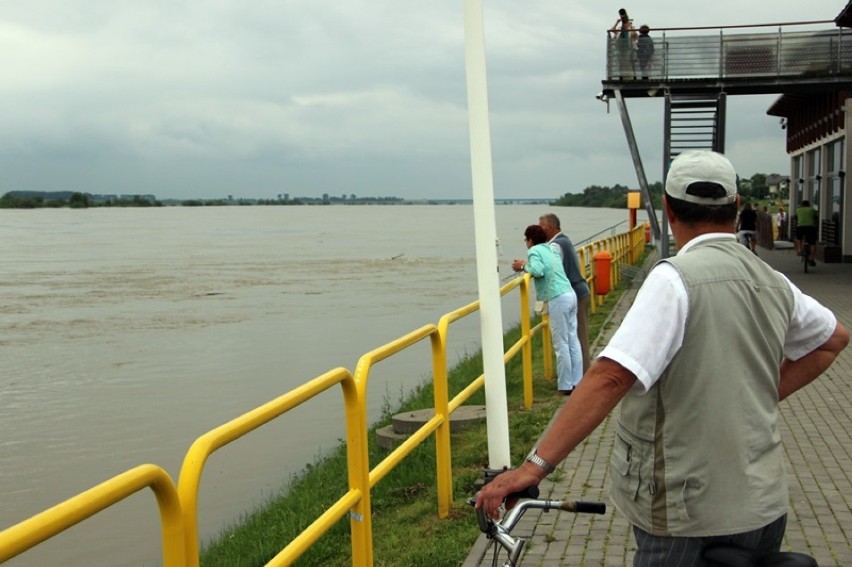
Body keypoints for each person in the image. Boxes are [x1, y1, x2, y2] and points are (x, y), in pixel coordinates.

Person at [477, 151, 848, 566]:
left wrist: (533, 468)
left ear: (668, 209)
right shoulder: (773, 280)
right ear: (736, 206)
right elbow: (833, 338)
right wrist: (761, 394)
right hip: (763, 506)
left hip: (687, 515)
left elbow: (609, 379)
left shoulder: (674, 280)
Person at [511, 225, 583, 394]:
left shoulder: (534, 251)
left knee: (561, 344)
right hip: (570, 294)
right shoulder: (551, 248)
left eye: (525, 239)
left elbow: (538, 270)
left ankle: (565, 386)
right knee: (572, 339)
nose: (525, 243)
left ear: (530, 240)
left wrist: (523, 266)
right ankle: (577, 382)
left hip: (557, 298)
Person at [538, 213, 592, 373]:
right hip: (580, 292)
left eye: (541, 227)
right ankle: (580, 374)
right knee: (576, 336)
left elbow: (548, 268)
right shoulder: (564, 241)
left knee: (577, 337)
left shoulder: (556, 246)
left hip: (574, 295)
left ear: (552, 228)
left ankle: (582, 376)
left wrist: (525, 266)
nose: (539, 231)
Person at [609, 8, 637, 79]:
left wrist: (630, 28)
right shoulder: (619, 29)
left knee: (630, 65)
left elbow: (635, 35)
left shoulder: (631, 29)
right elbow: (612, 30)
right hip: (621, 50)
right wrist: (617, 22)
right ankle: (621, 77)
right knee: (621, 65)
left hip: (629, 50)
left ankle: (632, 77)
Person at [794, 200, 818, 266]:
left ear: (801, 205)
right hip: (810, 227)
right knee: (813, 243)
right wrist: (816, 227)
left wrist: (795, 227)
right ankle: (811, 258)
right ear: (808, 205)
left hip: (800, 227)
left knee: (799, 239)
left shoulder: (798, 210)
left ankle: (799, 249)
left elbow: (795, 220)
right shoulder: (812, 210)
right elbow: (816, 220)